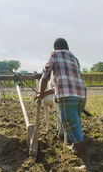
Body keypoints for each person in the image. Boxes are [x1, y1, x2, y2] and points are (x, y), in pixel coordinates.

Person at [35, 38, 91, 170]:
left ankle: (88, 165)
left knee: (72, 128)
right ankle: (75, 147)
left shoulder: (55, 54)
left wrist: (40, 92)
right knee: (76, 124)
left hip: (68, 98)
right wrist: (44, 93)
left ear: (56, 47)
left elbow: (45, 76)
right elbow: (65, 84)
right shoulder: (74, 58)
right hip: (81, 96)